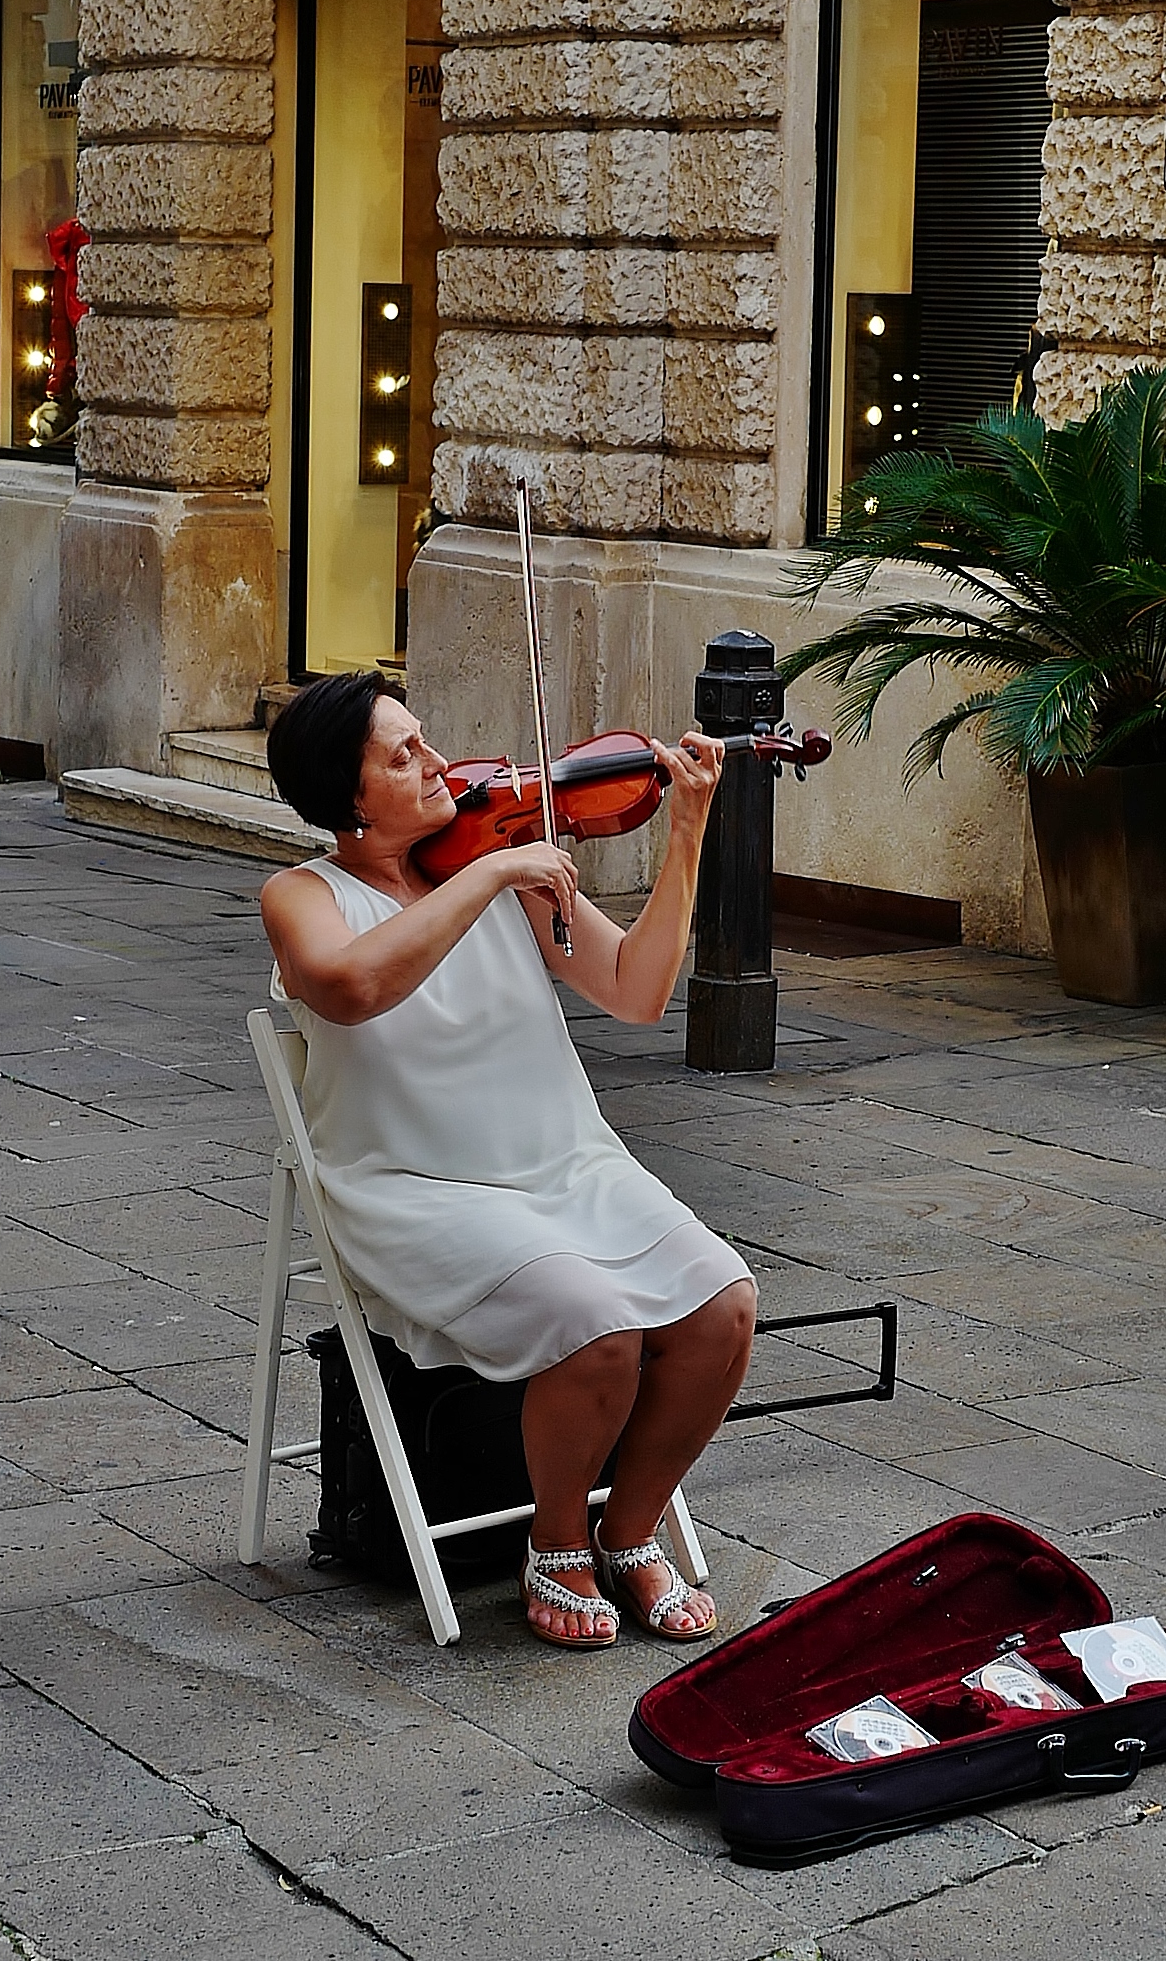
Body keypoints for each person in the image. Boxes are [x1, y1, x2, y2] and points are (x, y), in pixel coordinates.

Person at [261, 672, 757, 1650]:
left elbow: (636, 989)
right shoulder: (304, 895)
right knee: (596, 1325)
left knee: (722, 1306)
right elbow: (350, 987)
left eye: (426, 737)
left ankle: (629, 1528)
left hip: (564, 1164)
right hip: (413, 1189)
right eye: (404, 754)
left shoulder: (492, 860)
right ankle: (557, 1540)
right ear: (348, 795)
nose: (442, 762)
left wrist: (688, 828)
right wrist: (487, 875)